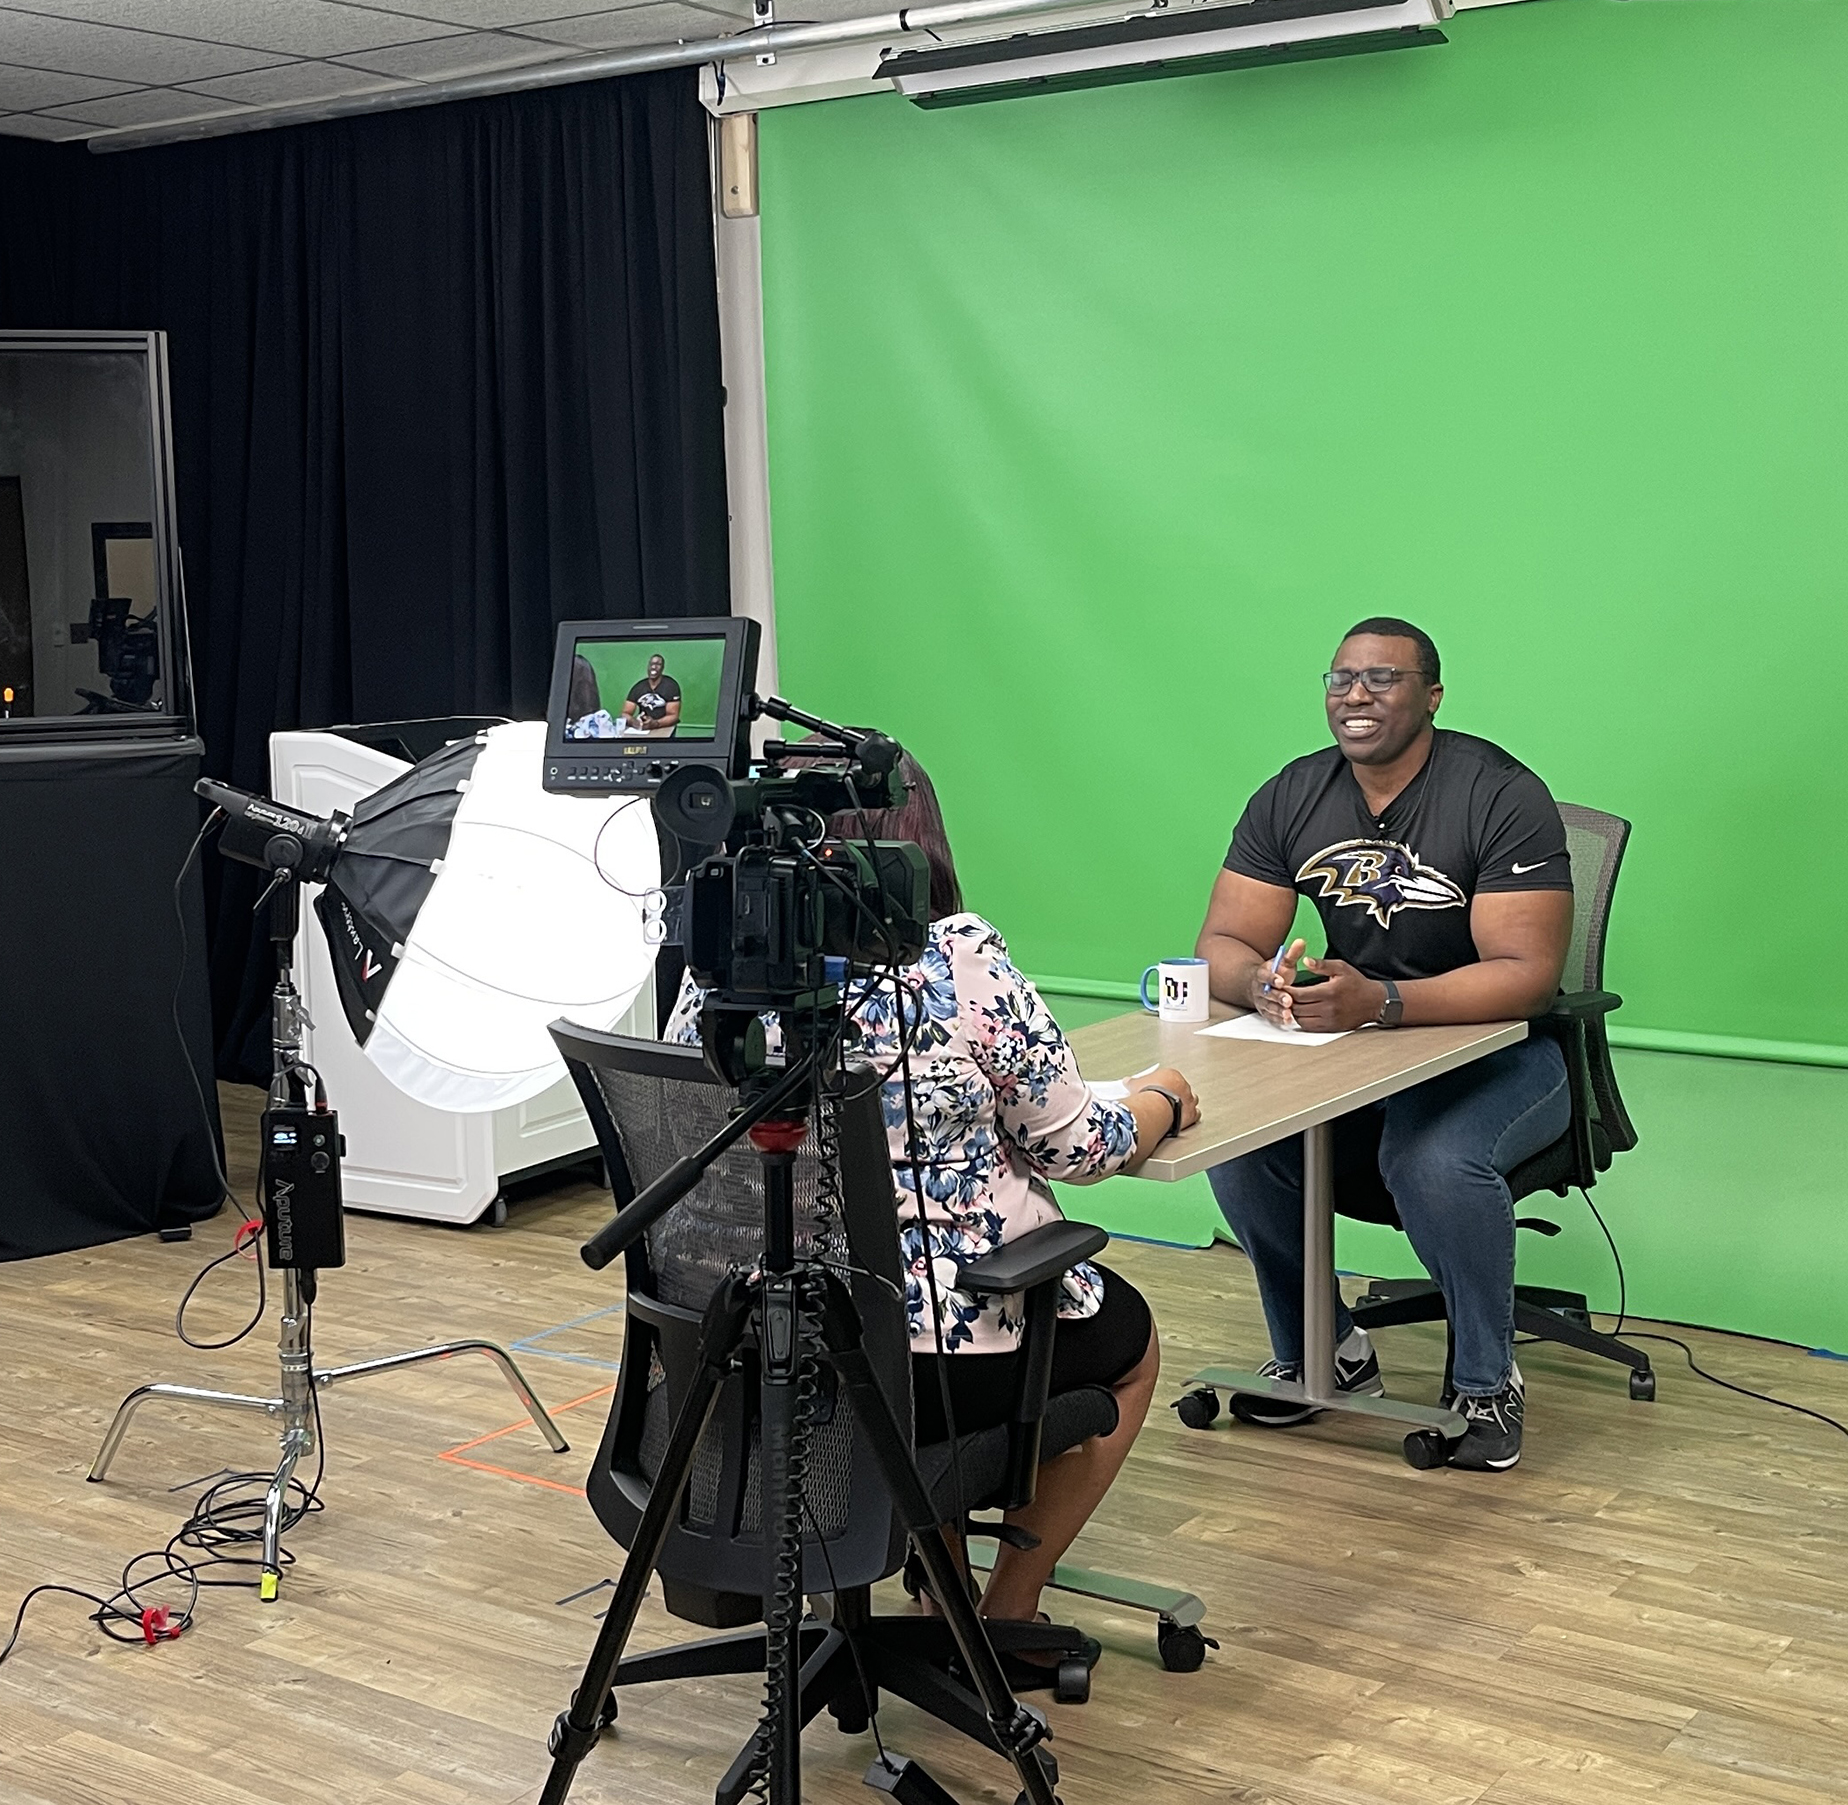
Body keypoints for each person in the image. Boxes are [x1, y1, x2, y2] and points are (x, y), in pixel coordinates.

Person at [666, 750, 1199, 1646]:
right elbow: (1080, 1143)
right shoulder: (956, 957)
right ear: (916, 840)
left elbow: (691, 1130)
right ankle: (1005, 1609)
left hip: (751, 1336)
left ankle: (940, 1596)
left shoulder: (726, 959)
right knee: (1132, 1346)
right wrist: (1162, 1095)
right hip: (932, 1355)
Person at [1195, 617, 1572, 1472]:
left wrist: (1382, 1002)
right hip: (1357, 1052)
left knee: (1432, 1157)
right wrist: (1262, 984)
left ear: (1432, 696)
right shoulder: (1292, 793)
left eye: (1382, 678)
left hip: (1506, 1055)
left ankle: (1485, 1377)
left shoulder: (1499, 792)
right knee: (1239, 1144)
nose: (1355, 696)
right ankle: (1325, 1349)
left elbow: (1528, 974)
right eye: (1340, 679)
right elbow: (1219, 945)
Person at [622, 652, 681, 736]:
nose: (653, 667)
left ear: (662, 668)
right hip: (643, 729)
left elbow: (673, 716)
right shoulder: (639, 687)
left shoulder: (671, 686)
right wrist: (634, 722)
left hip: (664, 727)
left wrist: (656, 723)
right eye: (651, 664)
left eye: (658, 664)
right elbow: (625, 713)